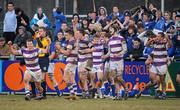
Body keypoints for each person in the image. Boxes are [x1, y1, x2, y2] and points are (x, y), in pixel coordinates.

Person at [137, 32, 172, 100]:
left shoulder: (164, 43)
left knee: (162, 80)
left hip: (162, 64)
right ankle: (157, 90)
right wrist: (151, 40)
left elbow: (170, 45)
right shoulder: (155, 43)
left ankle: (163, 93)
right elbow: (146, 45)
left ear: (162, 37)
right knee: (152, 79)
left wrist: (167, 38)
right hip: (155, 64)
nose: (157, 37)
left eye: (159, 36)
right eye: (157, 36)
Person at [102, 25, 128, 100]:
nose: (110, 30)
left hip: (119, 60)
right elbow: (110, 52)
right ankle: (118, 94)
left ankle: (126, 89)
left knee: (119, 78)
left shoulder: (121, 38)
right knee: (115, 78)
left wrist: (119, 54)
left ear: (115, 30)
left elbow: (125, 49)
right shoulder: (109, 40)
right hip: (112, 61)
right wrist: (105, 56)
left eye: (111, 29)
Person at [55, 29, 79, 100]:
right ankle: (75, 94)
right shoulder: (71, 41)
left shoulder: (71, 42)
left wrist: (59, 49)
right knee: (71, 78)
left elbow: (67, 53)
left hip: (71, 61)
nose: (65, 36)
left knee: (65, 78)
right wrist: (60, 50)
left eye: (66, 35)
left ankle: (72, 93)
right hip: (74, 61)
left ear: (70, 35)